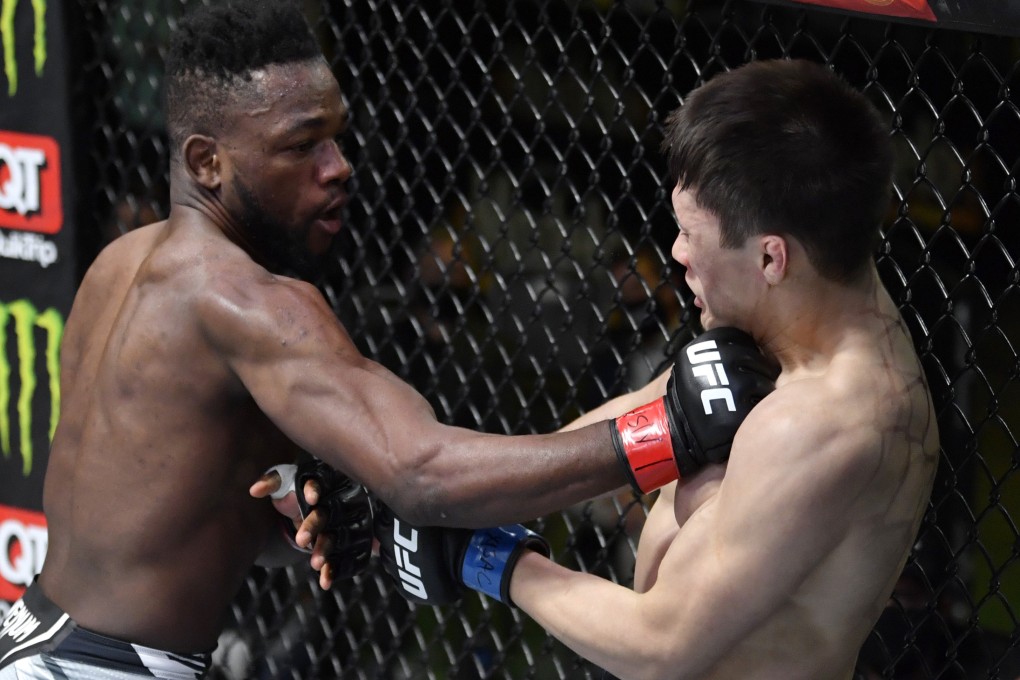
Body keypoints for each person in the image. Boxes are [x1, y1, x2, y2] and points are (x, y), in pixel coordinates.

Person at [0, 2, 778, 678]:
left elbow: (165, 512)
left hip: (39, 635)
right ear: (208, 161)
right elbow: (423, 472)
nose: (339, 167)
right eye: (302, 145)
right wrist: (666, 430)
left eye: (338, 138)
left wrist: (312, 520)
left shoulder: (122, 263)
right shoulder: (246, 303)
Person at [376, 59, 939, 680]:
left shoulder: (822, 424)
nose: (676, 253)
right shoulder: (801, 308)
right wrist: (436, 496)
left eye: (691, 234)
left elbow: (660, 645)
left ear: (771, 258)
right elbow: (634, 422)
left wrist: (487, 557)